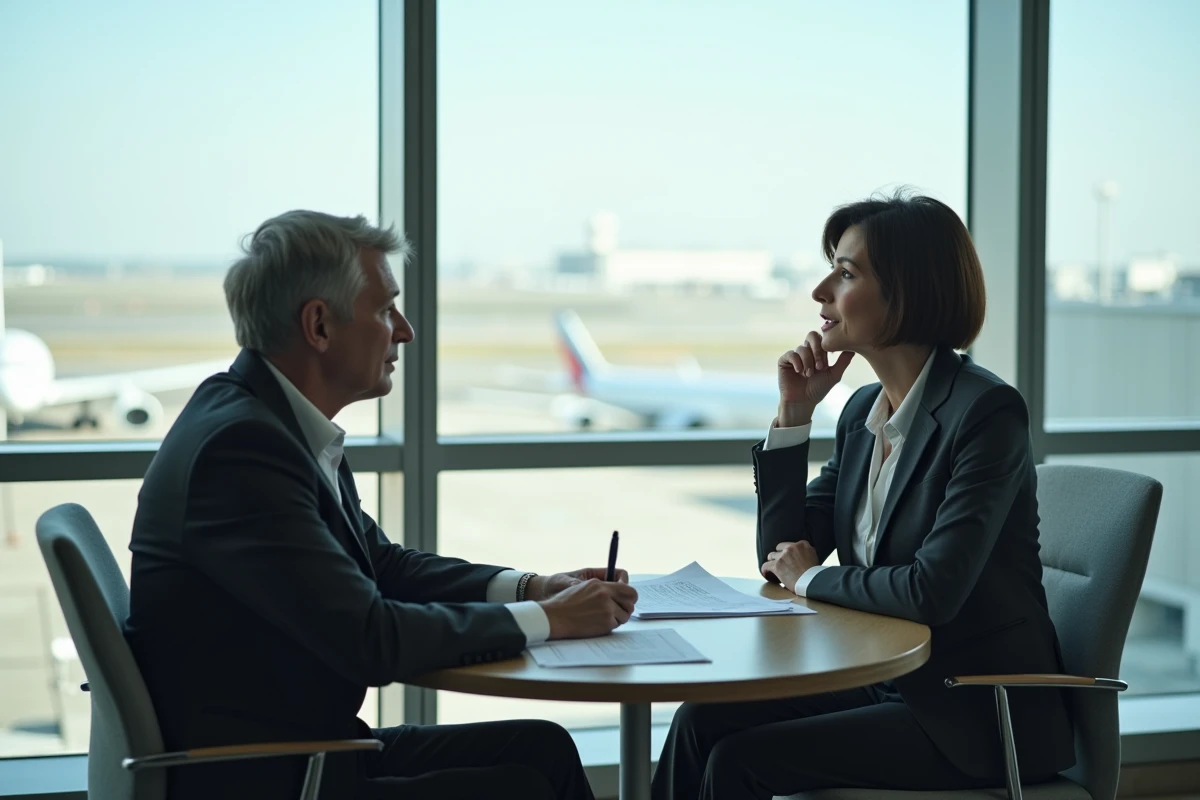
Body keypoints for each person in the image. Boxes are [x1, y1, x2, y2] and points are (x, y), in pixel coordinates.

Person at [126, 210, 638, 800]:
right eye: (384, 309)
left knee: (543, 749)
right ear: (319, 325)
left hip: (308, 749)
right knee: (519, 783)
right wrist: (554, 621)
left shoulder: (272, 420)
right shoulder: (243, 450)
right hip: (269, 774)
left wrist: (530, 589)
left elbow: (382, 566)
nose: (405, 330)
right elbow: (371, 639)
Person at [652, 192, 1075, 799]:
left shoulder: (985, 413)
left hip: (972, 707)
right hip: (887, 680)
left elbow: (931, 591)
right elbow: (780, 555)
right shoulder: (860, 414)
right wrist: (794, 416)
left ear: (908, 292)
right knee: (701, 719)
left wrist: (809, 580)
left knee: (742, 759)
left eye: (846, 273)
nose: (821, 291)